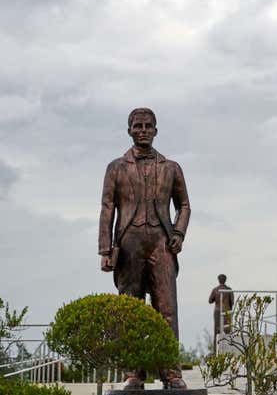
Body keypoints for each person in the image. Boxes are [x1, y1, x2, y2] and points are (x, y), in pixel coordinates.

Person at [98, 107, 190, 390]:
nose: (143, 130)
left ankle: (171, 372)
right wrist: (105, 250)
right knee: (130, 308)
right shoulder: (116, 167)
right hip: (129, 243)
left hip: (162, 243)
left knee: (167, 307)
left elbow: (184, 205)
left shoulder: (171, 167)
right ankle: (133, 372)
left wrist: (178, 233)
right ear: (129, 130)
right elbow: (107, 208)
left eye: (148, 126)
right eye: (138, 126)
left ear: (156, 130)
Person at [208, 274, 234, 351]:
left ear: (218, 280)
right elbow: (232, 302)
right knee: (228, 331)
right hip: (227, 311)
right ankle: (229, 350)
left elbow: (210, 300)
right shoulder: (229, 289)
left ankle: (215, 351)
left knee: (217, 331)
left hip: (217, 311)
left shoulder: (215, 290)